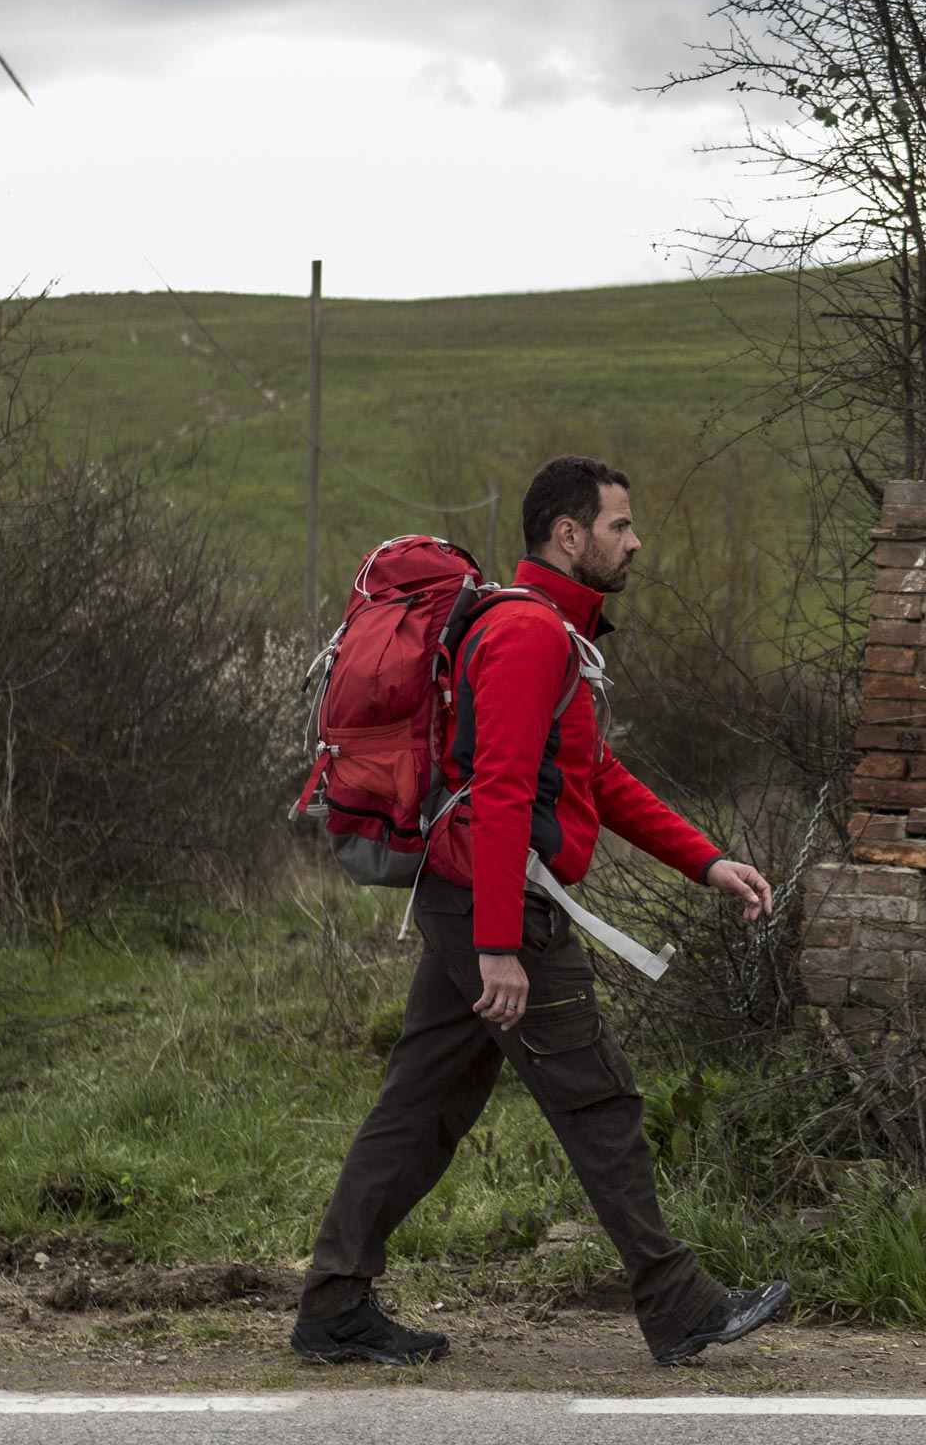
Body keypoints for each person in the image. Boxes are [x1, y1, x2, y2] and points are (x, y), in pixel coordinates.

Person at [290, 456, 790, 1367]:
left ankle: (333, 1303)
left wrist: (707, 861)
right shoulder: (529, 635)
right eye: (619, 526)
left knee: (422, 1103)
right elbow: (504, 790)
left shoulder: (549, 630)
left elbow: (593, 777)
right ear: (568, 534)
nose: (635, 542)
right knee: (599, 1098)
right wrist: (498, 948)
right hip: (505, 903)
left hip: (477, 897)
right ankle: (678, 1304)